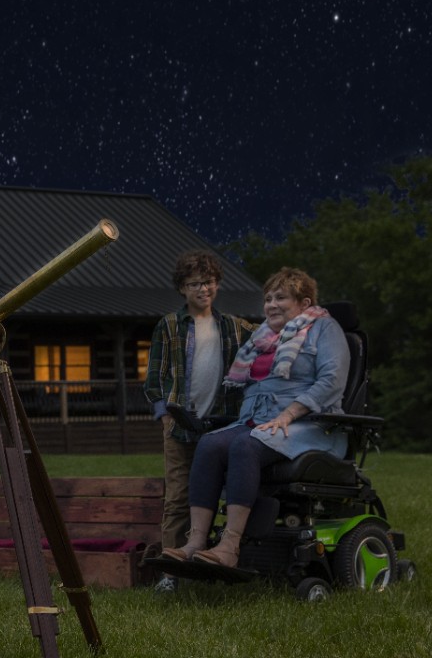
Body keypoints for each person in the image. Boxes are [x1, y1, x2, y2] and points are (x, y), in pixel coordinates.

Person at [162, 267, 350, 569]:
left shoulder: (324, 329)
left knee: (244, 447)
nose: (271, 305)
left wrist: (289, 414)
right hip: (258, 421)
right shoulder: (264, 337)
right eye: (268, 298)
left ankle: (230, 546)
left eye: (281, 298)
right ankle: (196, 542)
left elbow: (331, 382)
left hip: (310, 425)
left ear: (304, 303)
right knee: (209, 444)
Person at [143, 250, 255, 591]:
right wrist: (164, 415)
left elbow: (270, 344)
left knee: (223, 493)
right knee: (178, 497)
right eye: (194, 284)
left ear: (217, 284)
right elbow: (154, 377)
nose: (202, 289)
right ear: (182, 288)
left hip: (222, 425)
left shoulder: (237, 328)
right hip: (180, 425)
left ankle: (222, 558)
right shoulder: (169, 325)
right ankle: (171, 573)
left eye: (207, 282)